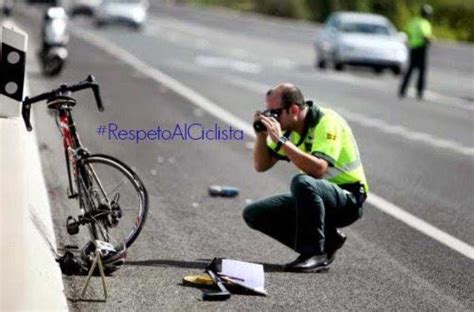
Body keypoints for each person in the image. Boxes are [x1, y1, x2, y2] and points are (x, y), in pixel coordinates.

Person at [243, 83, 368, 272]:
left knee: (301, 182)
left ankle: (314, 253)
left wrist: (282, 141)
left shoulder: (326, 121)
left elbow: (318, 169)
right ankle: (329, 239)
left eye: (274, 113)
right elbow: (261, 165)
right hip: (314, 197)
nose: (271, 119)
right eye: (267, 112)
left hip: (347, 199)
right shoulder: (288, 130)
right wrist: (261, 135)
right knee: (253, 214)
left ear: (293, 109)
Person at [399, 4, 434, 100]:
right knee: (422, 71)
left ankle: (402, 90)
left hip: (413, 47)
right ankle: (420, 92)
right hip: (421, 48)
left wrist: (411, 42)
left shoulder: (414, 21)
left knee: (410, 70)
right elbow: (426, 36)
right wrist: (429, 41)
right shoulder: (425, 23)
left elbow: (407, 32)